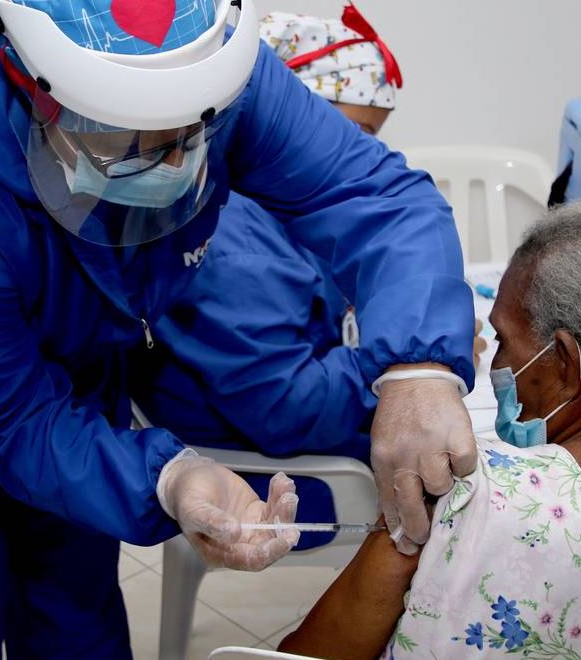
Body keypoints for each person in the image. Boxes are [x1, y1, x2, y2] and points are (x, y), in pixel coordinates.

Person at [0, 0, 477, 656]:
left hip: (84, 369)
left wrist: (419, 368)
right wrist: (164, 478)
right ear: (32, 88)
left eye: (193, 131)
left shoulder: (216, 66)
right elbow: (9, 425)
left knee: (76, 618)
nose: (171, 162)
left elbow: (369, 195)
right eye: (127, 139)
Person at [277, 196, 581, 659]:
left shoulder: (467, 492)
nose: (497, 359)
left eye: (503, 337)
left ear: (562, 363)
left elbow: (314, 652)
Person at [129, 6, 437, 551]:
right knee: (459, 471)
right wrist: (395, 370)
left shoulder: (280, 217)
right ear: (296, 113)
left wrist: (409, 337)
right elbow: (285, 403)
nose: (363, 153)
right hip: (274, 469)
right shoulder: (230, 242)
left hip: (284, 421)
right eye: (355, 132)